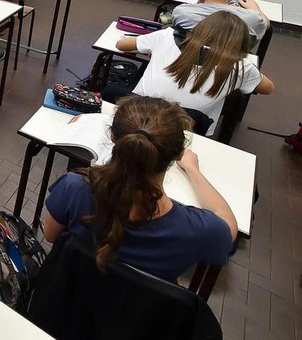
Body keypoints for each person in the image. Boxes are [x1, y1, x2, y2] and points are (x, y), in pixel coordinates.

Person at [42, 96, 237, 283]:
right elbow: (228, 226)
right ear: (178, 153)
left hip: (68, 294)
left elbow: (51, 235)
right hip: (140, 306)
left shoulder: (74, 188)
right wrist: (193, 170)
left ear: (113, 137)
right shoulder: (197, 230)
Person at [116, 11, 274, 136]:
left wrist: (154, 50)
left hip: (136, 117)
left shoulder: (166, 36)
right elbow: (268, 88)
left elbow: (121, 44)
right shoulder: (241, 67)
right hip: (189, 132)